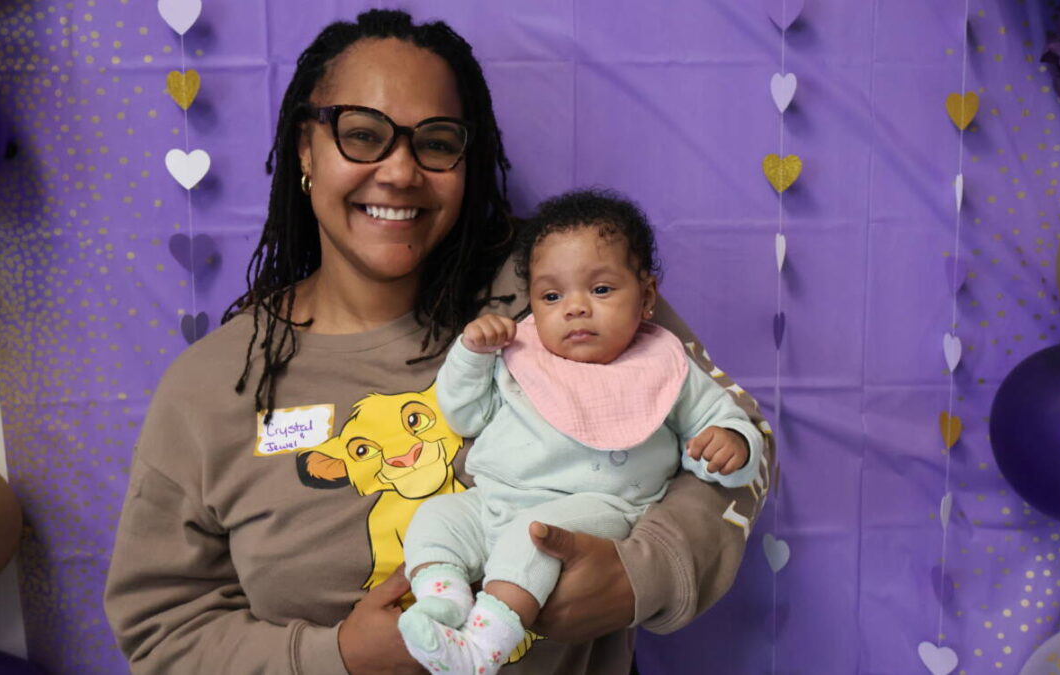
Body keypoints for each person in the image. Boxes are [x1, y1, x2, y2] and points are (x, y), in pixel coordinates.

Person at [103, 9, 775, 675]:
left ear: (467, 157)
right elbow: (166, 630)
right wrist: (333, 656)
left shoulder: (556, 285)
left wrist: (640, 573)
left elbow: (740, 438)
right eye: (362, 134)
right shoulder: (216, 383)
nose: (399, 172)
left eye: (435, 140)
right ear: (305, 149)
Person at [397, 189, 764, 674]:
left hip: (595, 510)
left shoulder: (664, 366)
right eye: (552, 296)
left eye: (601, 289)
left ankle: (481, 647)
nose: (575, 308)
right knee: (437, 518)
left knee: (530, 543)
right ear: (531, 303)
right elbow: (465, 416)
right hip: (493, 501)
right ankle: (443, 603)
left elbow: (723, 421)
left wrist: (730, 445)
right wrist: (472, 354)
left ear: (647, 296)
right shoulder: (519, 353)